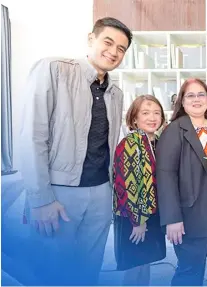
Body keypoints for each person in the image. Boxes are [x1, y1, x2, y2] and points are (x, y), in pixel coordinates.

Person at [20, 17, 132, 285]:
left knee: (88, 271)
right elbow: (32, 136)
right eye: (108, 42)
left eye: (121, 48)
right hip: (59, 191)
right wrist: (41, 198)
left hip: (101, 193)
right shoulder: (53, 69)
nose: (114, 52)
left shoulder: (116, 92)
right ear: (91, 39)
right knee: (52, 273)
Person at [155, 78, 207, 286]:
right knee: (189, 270)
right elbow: (165, 175)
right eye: (190, 95)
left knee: (197, 266)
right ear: (182, 102)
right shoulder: (174, 130)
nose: (196, 99)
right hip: (189, 214)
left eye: (201, 94)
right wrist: (172, 218)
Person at [113, 95, 167, 285]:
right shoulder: (130, 143)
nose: (152, 117)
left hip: (151, 214)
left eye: (156, 113)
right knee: (134, 267)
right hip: (134, 217)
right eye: (145, 113)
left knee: (145, 264)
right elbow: (126, 185)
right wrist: (138, 221)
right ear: (134, 118)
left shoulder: (158, 141)